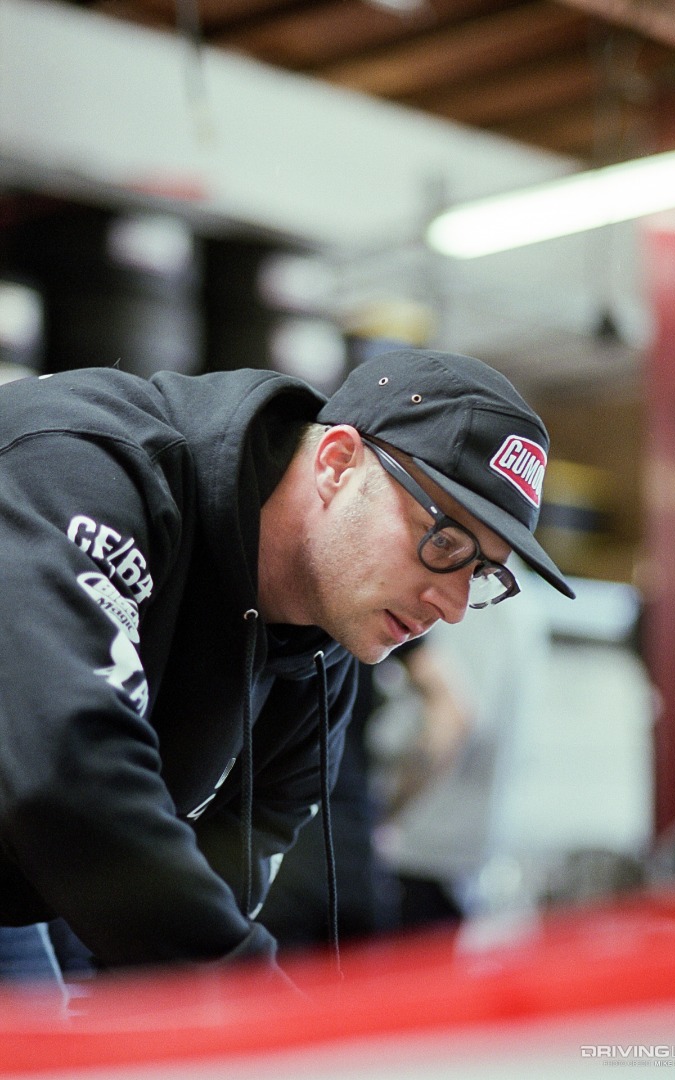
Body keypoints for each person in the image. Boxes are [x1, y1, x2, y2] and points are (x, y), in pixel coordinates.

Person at [0, 347, 574, 989]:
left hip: (37, 891)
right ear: (338, 463)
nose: (455, 605)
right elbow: (68, 770)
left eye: (484, 573)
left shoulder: (318, 646)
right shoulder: (83, 463)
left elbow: (234, 860)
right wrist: (249, 997)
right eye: (443, 542)